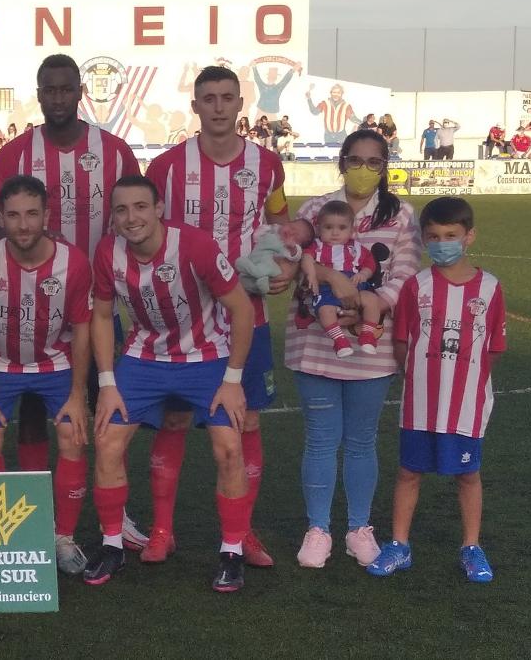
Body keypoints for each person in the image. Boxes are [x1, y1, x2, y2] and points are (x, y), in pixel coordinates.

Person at [0, 53, 146, 547]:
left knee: (106, 410)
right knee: (32, 414)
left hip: (99, 305)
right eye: (48, 90)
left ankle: (114, 511)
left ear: (79, 93)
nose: (57, 98)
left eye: (66, 89)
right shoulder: (14, 155)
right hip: (32, 306)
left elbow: (134, 220)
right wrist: (35, 244)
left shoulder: (114, 153)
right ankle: (39, 513)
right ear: (38, 93)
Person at [143, 65, 291, 568]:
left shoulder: (268, 165)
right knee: (178, 416)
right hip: (183, 317)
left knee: (247, 421)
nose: (220, 106)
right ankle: (163, 529)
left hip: (248, 312)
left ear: (240, 102)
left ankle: (242, 532)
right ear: (196, 106)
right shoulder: (164, 168)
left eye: (228, 97)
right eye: (209, 98)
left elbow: (279, 222)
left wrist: (284, 265)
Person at [83, 176, 256, 591]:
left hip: (207, 357)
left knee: (229, 447)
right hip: (144, 358)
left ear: (159, 208)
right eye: (121, 209)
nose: (131, 217)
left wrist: (233, 379)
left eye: (141, 207)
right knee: (107, 440)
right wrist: (107, 382)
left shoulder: (194, 245)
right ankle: (111, 546)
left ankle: (231, 552)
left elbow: (242, 309)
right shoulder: (108, 251)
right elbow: (102, 316)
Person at [285, 130, 422, 570]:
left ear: (385, 166)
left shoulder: (401, 214)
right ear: (341, 162)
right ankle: (318, 529)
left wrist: (369, 304)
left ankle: (359, 528)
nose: (363, 169)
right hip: (314, 343)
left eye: (373, 162)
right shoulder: (314, 209)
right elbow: (292, 262)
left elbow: (405, 274)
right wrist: (327, 279)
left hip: (372, 345)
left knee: (362, 441)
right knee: (321, 441)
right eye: (356, 160)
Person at [368, 197, 504, 583]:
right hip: (420, 402)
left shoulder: (491, 288)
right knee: (410, 472)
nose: (442, 242)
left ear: (469, 237)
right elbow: (401, 341)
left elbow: (492, 347)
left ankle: (471, 547)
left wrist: (463, 380)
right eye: (434, 236)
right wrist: (420, 376)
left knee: (468, 475)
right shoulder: (416, 285)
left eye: (451, 235)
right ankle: (399, 545)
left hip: (466, 404)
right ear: (424, 240)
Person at [0, 175, 94, 576]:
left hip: (56, 361)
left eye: (32, 215)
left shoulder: (73, 262)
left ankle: (62, 537)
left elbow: (84, 331)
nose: (24, 225)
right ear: (1, 218)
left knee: (73, 433)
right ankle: (5, 537)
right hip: (1, 362)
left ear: (47, 216)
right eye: (15, 216)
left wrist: (78, 394)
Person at [300, 201, 382, 357]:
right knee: (325, 311)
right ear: (319, 228)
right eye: (329, 227)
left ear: (352, 230)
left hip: (354, 285)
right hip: (326, 288)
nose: (335, 233)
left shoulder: (356, 247)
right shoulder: (316, 246)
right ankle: (340, 341)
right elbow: (306, 258)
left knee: (372, 300)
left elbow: (370, 263)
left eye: (342, 228)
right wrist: (311, 274)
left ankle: (367, 335)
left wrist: (363, 274)